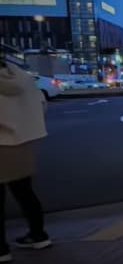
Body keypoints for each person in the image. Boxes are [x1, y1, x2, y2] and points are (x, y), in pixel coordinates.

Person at [0, 57, 52, 263]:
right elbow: (41, 104)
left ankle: (2, 250)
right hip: (22, 141)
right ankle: (39, 235)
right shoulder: (24, 78)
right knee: (25, 192)